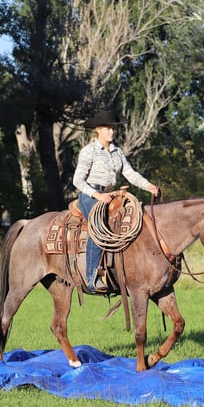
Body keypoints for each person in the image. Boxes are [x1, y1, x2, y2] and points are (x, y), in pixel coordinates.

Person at [73, 109, 159, 293]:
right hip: (90, 196)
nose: (111, 132)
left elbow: (130, 174)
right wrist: (97, 195)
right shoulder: (88, 151)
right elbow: (77, 180)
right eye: (107, 128)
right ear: (97, 129)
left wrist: (149, 186)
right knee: (99, 228)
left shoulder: (117, 152)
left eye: (113, 128)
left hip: (112, 196)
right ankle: (91, 277)